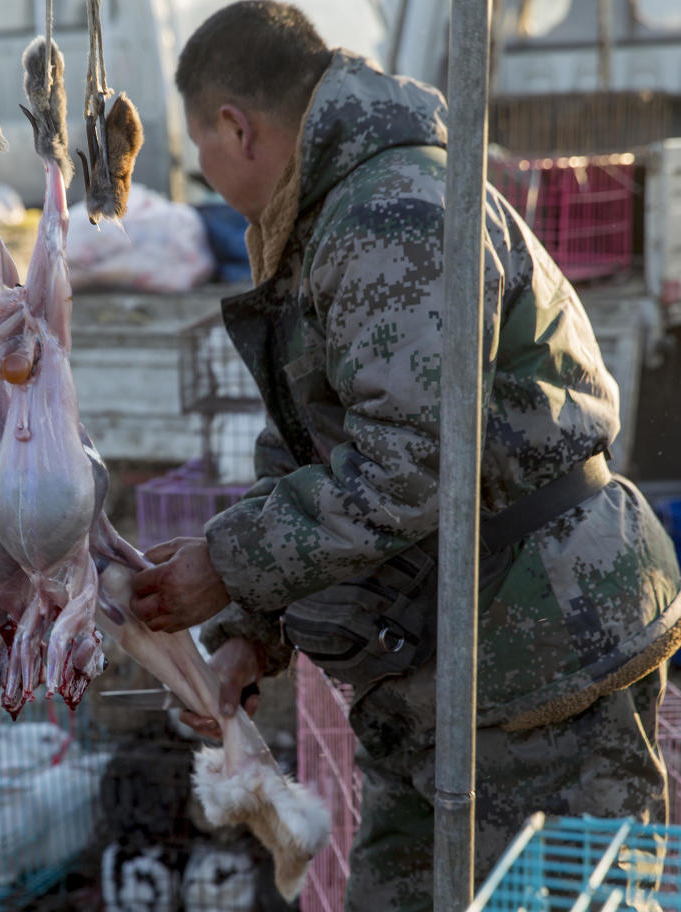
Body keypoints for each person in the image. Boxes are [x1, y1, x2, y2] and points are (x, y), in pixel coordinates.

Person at [128, 2, 681, 909]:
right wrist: (246, 637)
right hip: (444, 667)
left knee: (558, 895)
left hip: (541, 653)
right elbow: (313, 444)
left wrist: (228, 565)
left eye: (204, 155)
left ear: (238, 127)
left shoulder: (389, 215)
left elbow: (411, 463)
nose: (211, 178)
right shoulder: (335, 216)